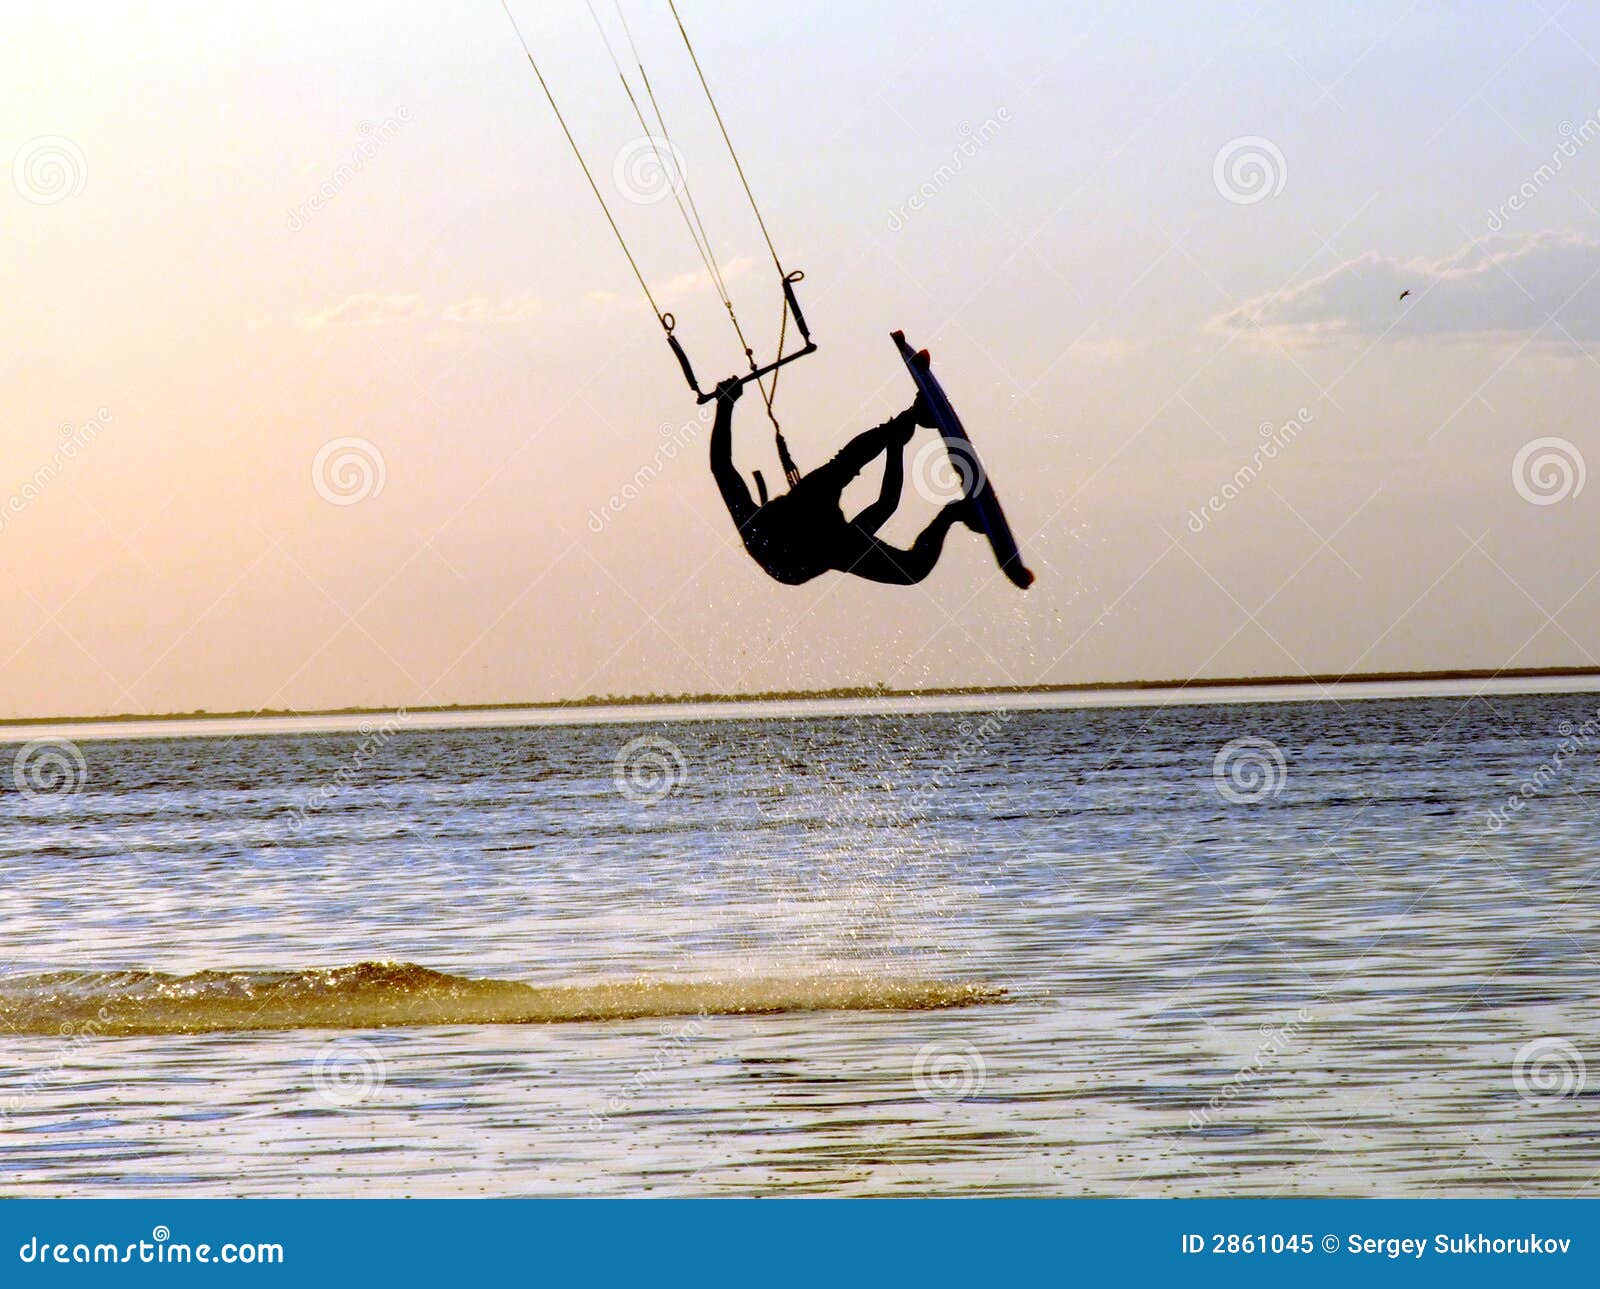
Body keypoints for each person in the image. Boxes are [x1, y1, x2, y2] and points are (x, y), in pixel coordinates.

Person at [709, 377, 980, 586]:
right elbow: (886, 505)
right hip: (795, 556)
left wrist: (726, 403)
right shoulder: (836, 545)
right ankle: (954, 511)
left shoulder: (790, 510)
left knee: (842, 466)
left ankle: (911, 416)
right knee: (910, 571)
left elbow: (721, 467)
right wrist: (896, 447)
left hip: (792, 532)